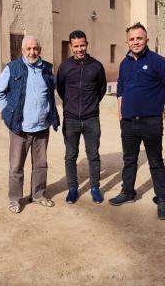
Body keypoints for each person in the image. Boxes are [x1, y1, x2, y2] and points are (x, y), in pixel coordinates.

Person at [109, 23, 165, 220]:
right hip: (129, 123)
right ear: (127, 41)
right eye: (132, 39)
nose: (135, 42)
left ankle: (162, 200)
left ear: (146, 40)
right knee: (129, 160)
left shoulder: (159, 62)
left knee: (155, 162)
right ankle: (127, 192)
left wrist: (157, 98)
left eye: (139, 38)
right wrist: (120, 113)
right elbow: (121, 89)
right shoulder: (124, 64)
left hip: (151, 122)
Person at [0, 35, 60, 214]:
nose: (32, 52)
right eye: (29, 49)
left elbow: (51, 92)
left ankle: (38, 195)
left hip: (42, 127)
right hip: (20, 128)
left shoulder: (47, 68)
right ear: (22, 51)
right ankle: (15, 199)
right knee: (16, 166)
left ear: (40, 50)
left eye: (35, 48)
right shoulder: (12, 68)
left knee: (41, 164)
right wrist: (8, 113)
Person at [57, 30, 107, 204]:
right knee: (71, 155)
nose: (79, 49)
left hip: (91, 119)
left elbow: (101, 89)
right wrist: (71, 105)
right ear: (71, 46)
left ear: (87, 44)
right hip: (71, 120)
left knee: (93, 155)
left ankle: (94, 187)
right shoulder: (65, 67)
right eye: (76, 46)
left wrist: (90, 105)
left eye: (82, 45)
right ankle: (72, 188)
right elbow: (61, 90)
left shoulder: (97, 66)